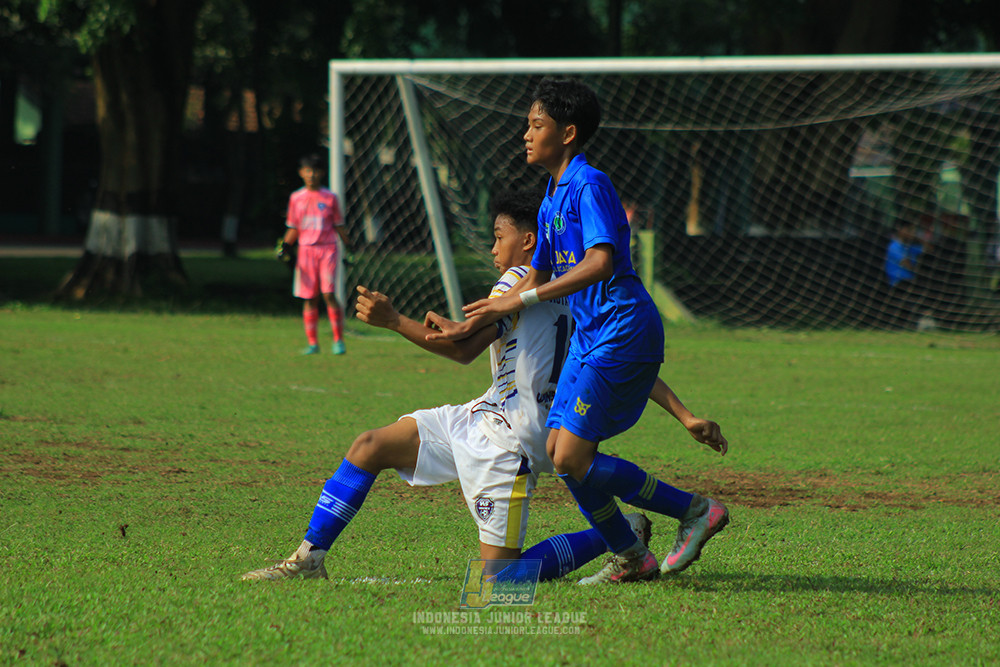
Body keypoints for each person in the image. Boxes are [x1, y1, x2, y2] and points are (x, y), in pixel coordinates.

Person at [241, 190, 653, 582]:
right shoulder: (572, 284)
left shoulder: (517, 280)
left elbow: (463, 351)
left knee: (501, 580)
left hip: (510, 443)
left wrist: (393, 321)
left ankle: (618, 534)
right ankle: (309, 557)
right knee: (371, 446)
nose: (493, 249)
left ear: (528, 241)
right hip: (488, 415)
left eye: (498, 237)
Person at [427, 78, 730, 584]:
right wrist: (477, 319)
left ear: (567, 133)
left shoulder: (590, 184)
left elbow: (600, 261)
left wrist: (519, 298)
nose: (526, 133)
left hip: (623, 323)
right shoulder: (550, 198)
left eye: (536, 124)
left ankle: (695, 512)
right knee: (561, 455)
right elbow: (539, 276)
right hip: (597, 334)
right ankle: (633, 556)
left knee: (568, 455)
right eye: (527, 123)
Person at [281, 153, 351, 355]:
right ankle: (313, 343)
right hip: (305, 250)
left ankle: (338, 340)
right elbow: (294, 226)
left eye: (315, 171)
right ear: (301, 173)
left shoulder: (330, 198)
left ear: (321, 173)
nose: (311, 175)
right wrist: (285, 245)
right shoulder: (296, 198)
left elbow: (338, 225)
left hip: (327, 248)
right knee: (309, 297)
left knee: (328, 293)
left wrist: (349, 246)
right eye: (307, 171)